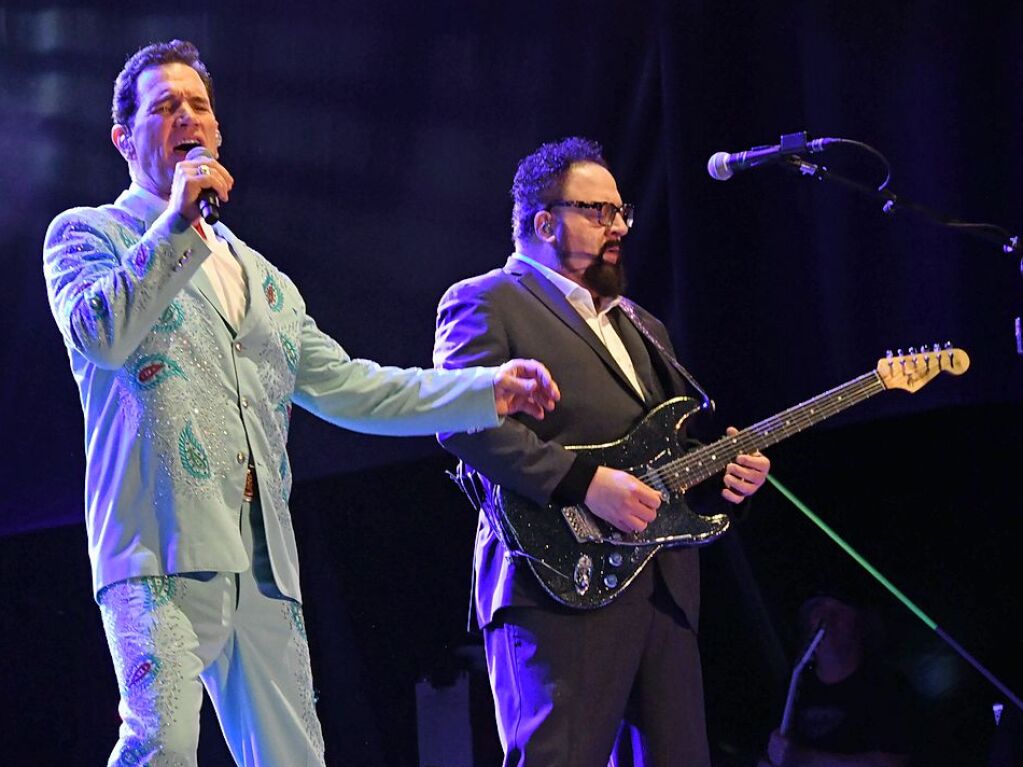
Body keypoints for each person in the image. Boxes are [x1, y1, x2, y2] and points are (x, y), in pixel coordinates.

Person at [42, 40, 559, 767]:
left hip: (261, 559)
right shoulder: (86, 233)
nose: (186, 116)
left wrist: (484, 389)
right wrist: (176, 224)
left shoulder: (263, 278)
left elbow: (353, 385)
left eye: (199, 105)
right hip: (157, 543)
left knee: (292, 758)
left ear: (217, 134)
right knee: (160, 743)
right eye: (164, 106)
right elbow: (101, 332)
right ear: (124, 138)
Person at [432, 136, 771, 766]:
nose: (617, 227)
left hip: (661, 586)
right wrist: (586, 483)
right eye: (598, 212)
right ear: (542, 221)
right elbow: (462, 423)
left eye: (621, 213)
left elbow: (665, 459)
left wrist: (727, 476)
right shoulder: (486, 299)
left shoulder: (642, 324)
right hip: (554, 576)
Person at [757, 591, 920, 767]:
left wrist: (807, 759)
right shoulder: (794, 685)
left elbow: (893, 763)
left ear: (860, 623)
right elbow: (767, 756)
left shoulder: (888, 685)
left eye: (839, 609)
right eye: (818, 608)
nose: (826, 619)